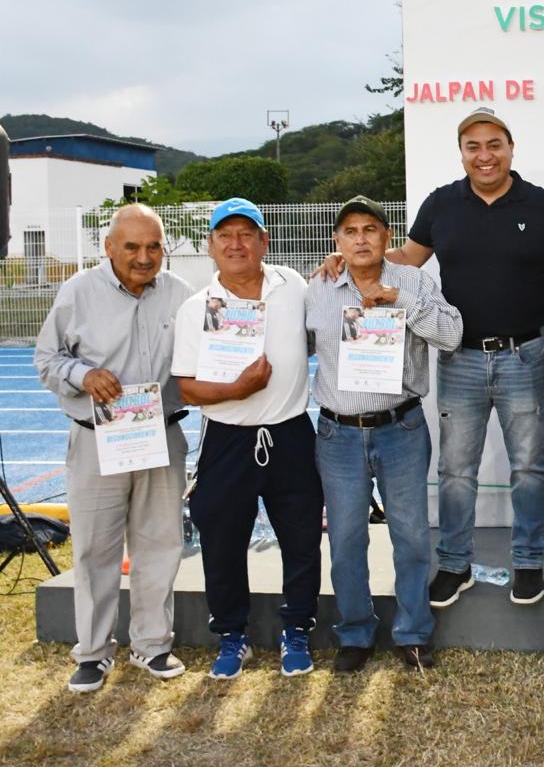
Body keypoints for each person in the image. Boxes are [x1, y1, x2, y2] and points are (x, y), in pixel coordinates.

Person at [317, 107, 544, 607]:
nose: (484, 155)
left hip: (526, 354)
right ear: (461, 153)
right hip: (459, 357)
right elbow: (407, 258)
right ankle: (456, 565)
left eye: (494, 144)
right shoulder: (441, 204)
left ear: (511, 148)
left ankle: (527, 560)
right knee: (456, 470)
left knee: (528, 466)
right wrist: (350, 255)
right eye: (473, 146)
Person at [35, 204, 193, 693]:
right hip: (97, 441)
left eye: (153, 247)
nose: (144, 257)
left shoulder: (182, 295)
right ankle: (94, 652)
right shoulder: (78, 291)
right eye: (132, 247)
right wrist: (84, 375)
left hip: (161, 437)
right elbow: (46, 360)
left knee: (161, 545)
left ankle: (152, 645)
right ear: (109, 248)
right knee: (95, 551)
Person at [307, 196, 463, 674]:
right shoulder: (318, 288)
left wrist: (405, 304)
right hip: (339, 433)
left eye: (370, 229)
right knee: (347, 538)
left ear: (387, 237)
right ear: (337, 240)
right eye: (350, 230)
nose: (360, 239)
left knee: (412, 536)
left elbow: (452, 335)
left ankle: (413, 634)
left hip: (401, 429)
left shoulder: (415, 281)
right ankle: (355, 633)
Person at [171, 198, 322, 680]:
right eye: (225, 236)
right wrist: (238, 390)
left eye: (246, 234)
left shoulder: (292, 285)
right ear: (211, 246)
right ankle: (231, 636)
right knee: (223, 542)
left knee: (301, 541)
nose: (236, 244)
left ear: (264, 242)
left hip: (291, 433)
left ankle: (296, 629)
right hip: (228, 439)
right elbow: (187, 386)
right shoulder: (197, 308)